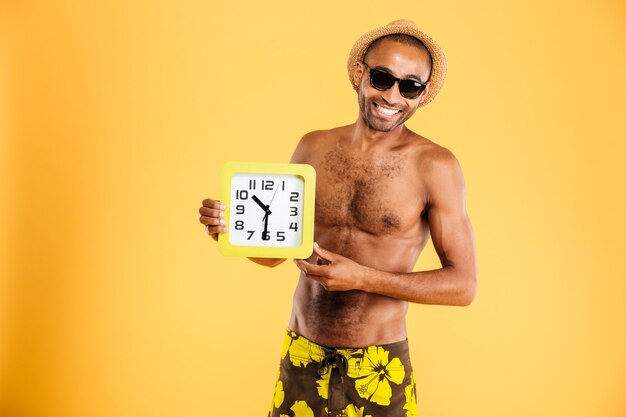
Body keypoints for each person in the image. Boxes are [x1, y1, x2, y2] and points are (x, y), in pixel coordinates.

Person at [199, 19, 477, 417]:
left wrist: (362, 278)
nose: (393, 96)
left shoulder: (435, 166)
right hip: (302, 355)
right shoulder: (313, 147)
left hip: (378, 367)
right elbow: (276, 252)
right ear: (359, 73)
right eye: (382, 78)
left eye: (410, 86)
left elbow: (463, 285)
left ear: (423, 93)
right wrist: (230, 231)